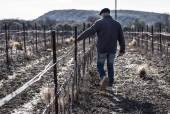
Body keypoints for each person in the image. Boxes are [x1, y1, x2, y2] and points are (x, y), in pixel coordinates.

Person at [77, 8, 125, 91]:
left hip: (102, 48)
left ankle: (103, 77)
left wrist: (78, 38)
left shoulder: (99, 23)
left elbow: (89, 31)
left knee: (100, 65)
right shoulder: (117, 24)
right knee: (110, 67)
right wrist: (122, 50)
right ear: (109, 13)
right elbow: (121, 38)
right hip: (112, 49)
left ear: (103, 14)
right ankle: (110, 85)